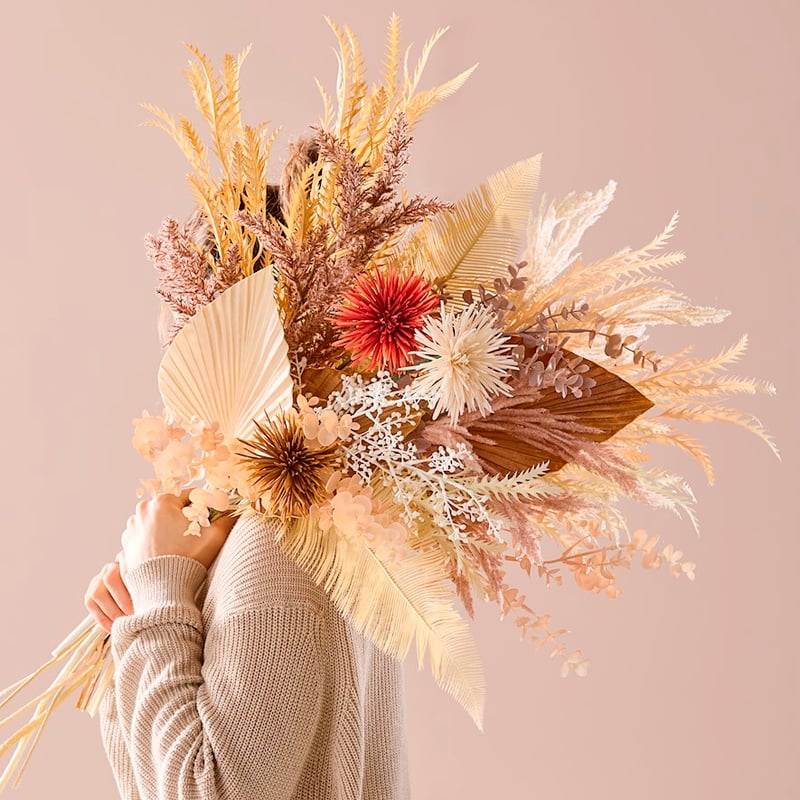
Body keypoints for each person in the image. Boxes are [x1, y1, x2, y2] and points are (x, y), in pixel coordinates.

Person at [84, 160, 412, 799]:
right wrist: (137, 623)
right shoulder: (329, 513)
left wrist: (163, 588)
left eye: (180, 350)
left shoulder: (279, 546)